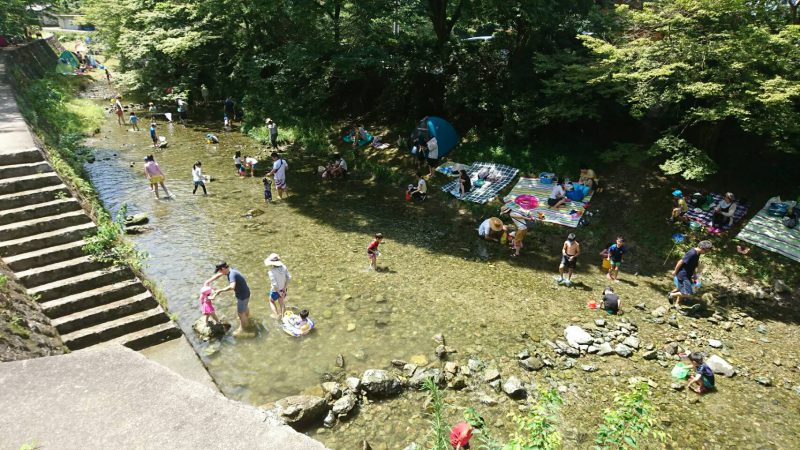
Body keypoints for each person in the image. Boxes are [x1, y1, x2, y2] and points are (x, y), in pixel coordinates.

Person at [668, 240, 713, 309]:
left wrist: (694, 275)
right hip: (683, 275)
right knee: (687, 293)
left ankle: (677, 304)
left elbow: (693, 265)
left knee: (682, 290)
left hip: (688, 275)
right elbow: (681, 262)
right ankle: (671, 294)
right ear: (702, 248)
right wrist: (675, 271)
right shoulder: (692, 253)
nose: (707, 252)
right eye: (707, 251)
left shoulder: (698, 253)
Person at [264, 253, 292, 318]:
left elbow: (274, 284)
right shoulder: (284, 267)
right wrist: (284, 288)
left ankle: (275, 315)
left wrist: (279, 292)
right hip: (283, 289)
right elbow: (289, 277)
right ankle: (283, 318)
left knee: (271, 301)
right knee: (281, 303)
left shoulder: (271, 272)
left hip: (275, 291)